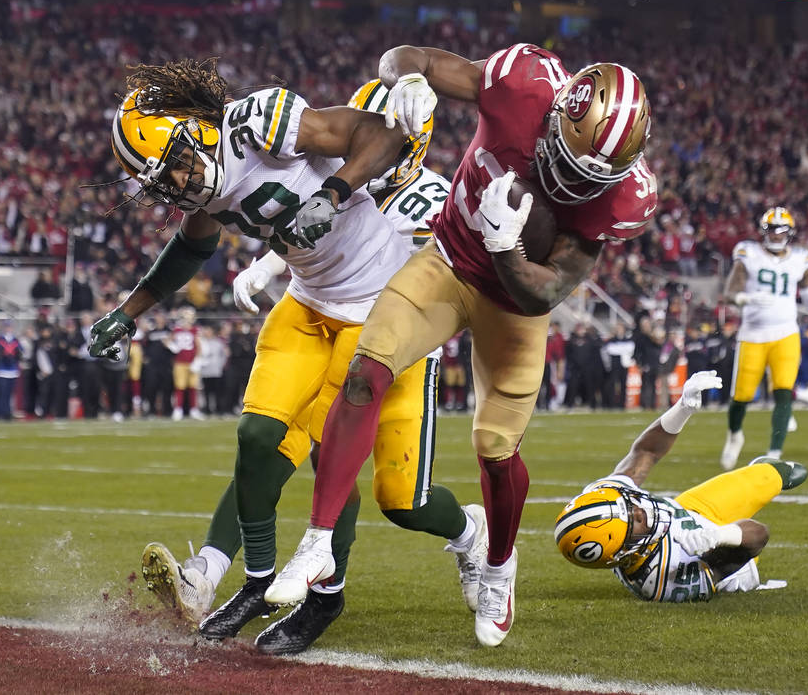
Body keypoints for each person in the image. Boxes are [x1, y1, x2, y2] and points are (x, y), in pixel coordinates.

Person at [268, 43, 658, 647]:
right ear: (555, 113)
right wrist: (405, 82)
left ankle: (500, 566)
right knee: (364, 373)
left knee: (495, 449)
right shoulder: (522, 85)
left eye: (591, 175)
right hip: (446, 265)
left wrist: (508, 248)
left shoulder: (623, 197)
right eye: (570, 159)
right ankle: (318, 541)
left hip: (512, 302)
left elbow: (544, 293)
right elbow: (407, 56)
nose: (571, 178)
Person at [90, 63, 479, 656]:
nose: (176, 182)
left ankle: (353, 582)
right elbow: (195, 243)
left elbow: (377, 141)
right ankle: (244, 577)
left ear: (197, 130)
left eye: (175, 164)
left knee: (377, 483)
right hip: (308, 303)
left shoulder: (262, 125)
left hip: (379, 320)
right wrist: (129, 309)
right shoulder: (209, 175)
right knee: (257, 435)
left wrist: (333, 194)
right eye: (163, 178)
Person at [555, 371, 806, 602]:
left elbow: (646, 451)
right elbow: (758, 536)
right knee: (772, 484)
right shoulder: (664, 578)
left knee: (781, 473)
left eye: (630, 505)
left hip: (689, 509)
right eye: (635, 521)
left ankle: (760, 470)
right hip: (729, 556)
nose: (641, 510)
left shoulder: (607, 496)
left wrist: (683, 406)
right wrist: (719, 537)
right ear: (623, 553)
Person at [720, 207, 808, 469]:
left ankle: (775, 452)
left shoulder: (800, 258)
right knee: (740, 397)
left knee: (783, 392)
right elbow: (731, 290)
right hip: (752, 334)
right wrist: (744, 298)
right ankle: (735, 435)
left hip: (786, 333)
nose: (776, 236)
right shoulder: (749, 253)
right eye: (771, 230)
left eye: (780, 231)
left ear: (789, 233)